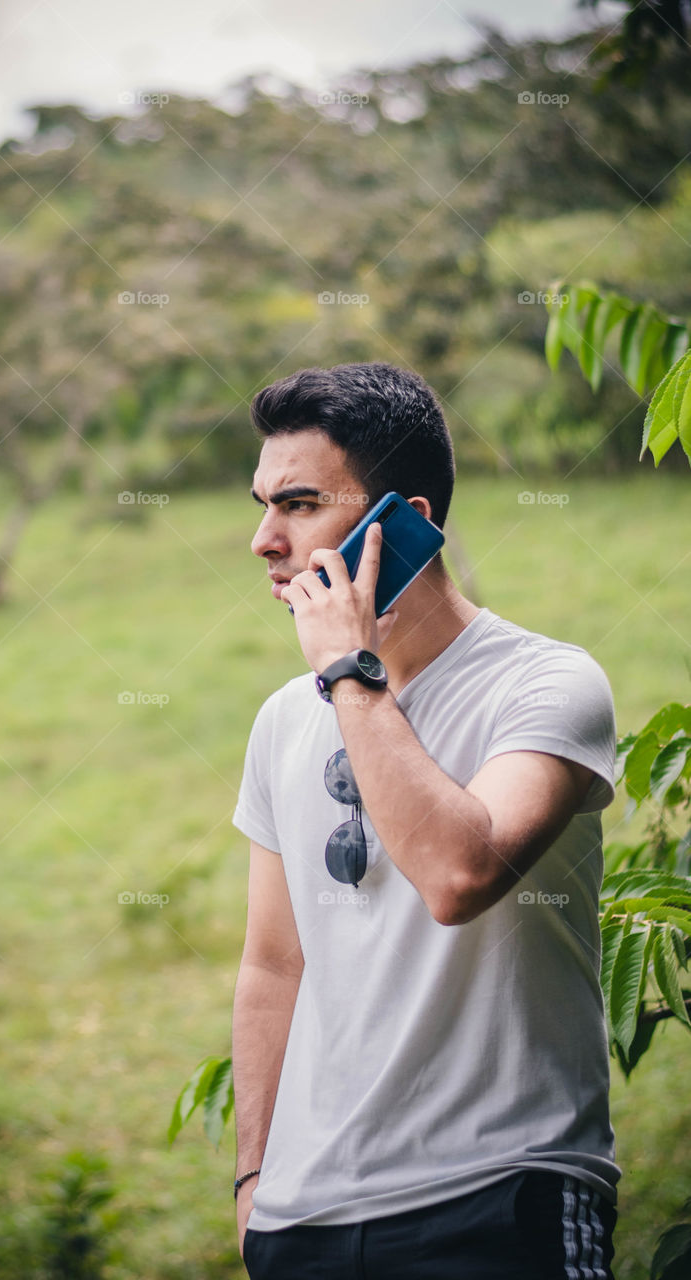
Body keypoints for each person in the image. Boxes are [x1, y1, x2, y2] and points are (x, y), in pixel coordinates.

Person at [231, 362, 619, 1280]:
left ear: (406, 520)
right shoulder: (285, 719)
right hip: (302, 1221)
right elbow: (272, 965)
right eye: (261, 504)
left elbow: (458, 875)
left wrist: (349, 675)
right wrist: (254, 1181)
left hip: (499, 1192)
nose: (262, 540)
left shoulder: (547, 684)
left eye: (297, 504)